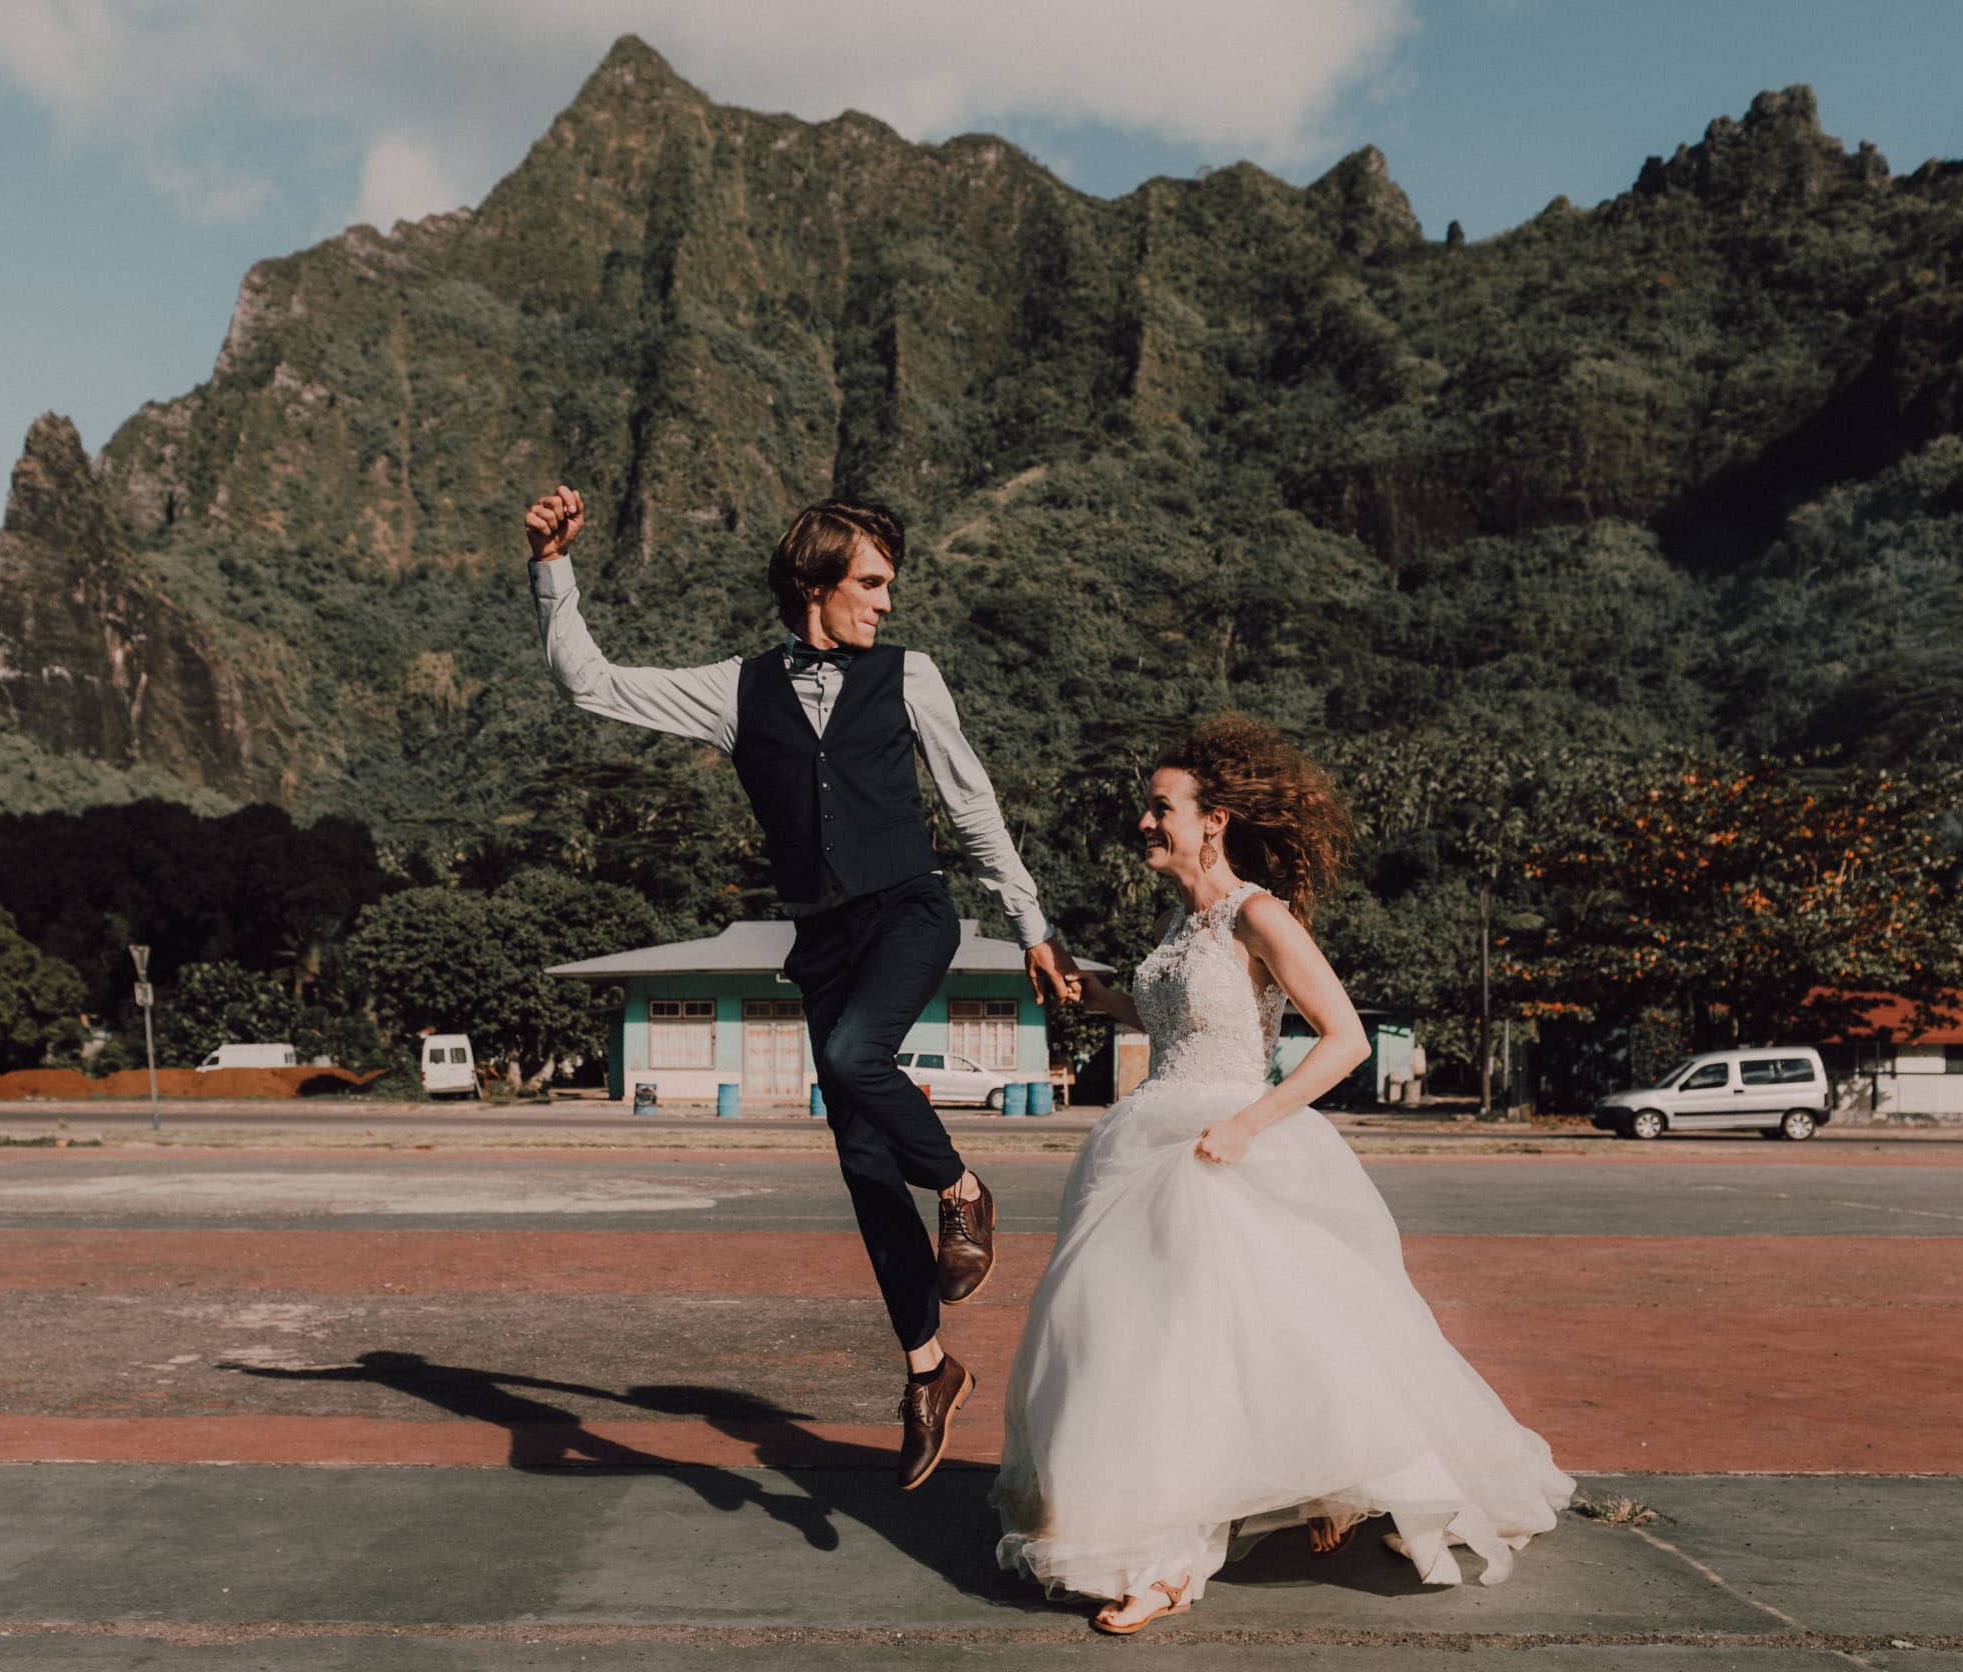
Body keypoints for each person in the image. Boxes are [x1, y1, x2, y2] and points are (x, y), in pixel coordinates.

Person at [522, 484, 1084, 1490]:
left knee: (849, 1057)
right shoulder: (735, 690)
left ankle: (962, 1190)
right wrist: (552, 567)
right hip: (821, 938)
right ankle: (927, 1371)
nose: (883, 601)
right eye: (870, 582)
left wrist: (1030, 924)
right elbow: (587, 683)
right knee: (864, 1162)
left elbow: (970, 802)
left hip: (911, 912)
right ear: (816, 581)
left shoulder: (909, 676)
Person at [991, 714, 1571, 1634]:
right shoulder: (1181, 924)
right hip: (1146, 1146)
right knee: (1131, 1341)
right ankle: (1183, 1515)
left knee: (1223, 1345)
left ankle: (1173, 1557)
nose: (1144, 823)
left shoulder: (1259, 914)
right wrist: (1091, 991)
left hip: (1231, 1147)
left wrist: (1248, 1124)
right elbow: (1169, 1020)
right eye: (1146, 809)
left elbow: (1341, 1040)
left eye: (1161, 808)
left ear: (1213, 818)